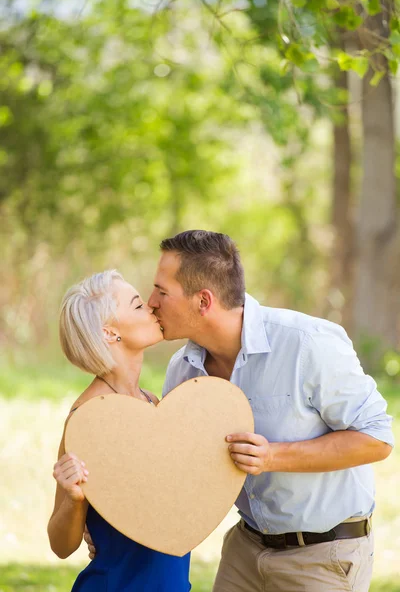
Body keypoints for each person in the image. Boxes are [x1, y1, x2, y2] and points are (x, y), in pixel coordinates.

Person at [145, 230, 394, 592]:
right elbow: (181, 473)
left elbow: (377, 439)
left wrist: (272, 456)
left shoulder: (308, 344)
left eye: (162, 292)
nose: (150, 301)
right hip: (245, 549)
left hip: (324, 556)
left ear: (203, 301)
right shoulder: (183, 369)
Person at [47, 269, 191, 592]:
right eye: (138, 306)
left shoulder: (154, 404)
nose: (152, 308)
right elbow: (60, 545)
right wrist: (74, 499)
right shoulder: (87, 419)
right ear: (110, 332)